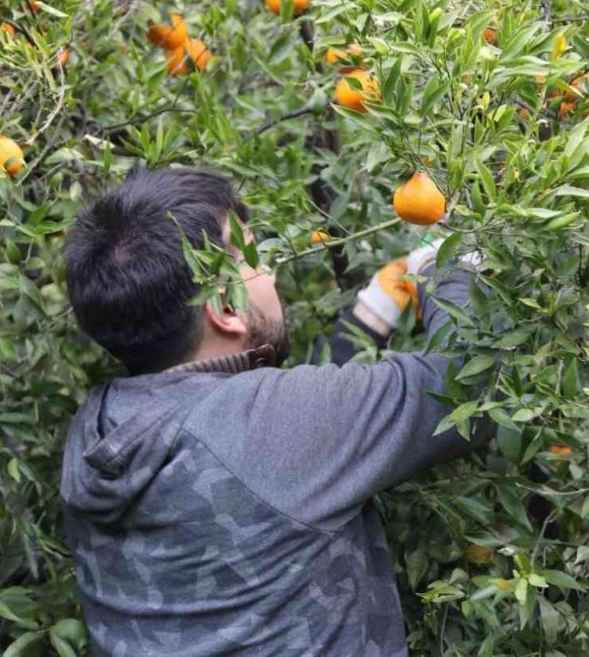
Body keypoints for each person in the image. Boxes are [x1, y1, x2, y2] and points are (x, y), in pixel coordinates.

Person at [61, 166, 487, 656]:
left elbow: (270, 451)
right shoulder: (270, 428)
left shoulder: (95, 430)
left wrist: (373, 310)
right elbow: (469, 389)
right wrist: (451, 260)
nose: (273, 269)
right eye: (254, 259)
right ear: (225, 304)